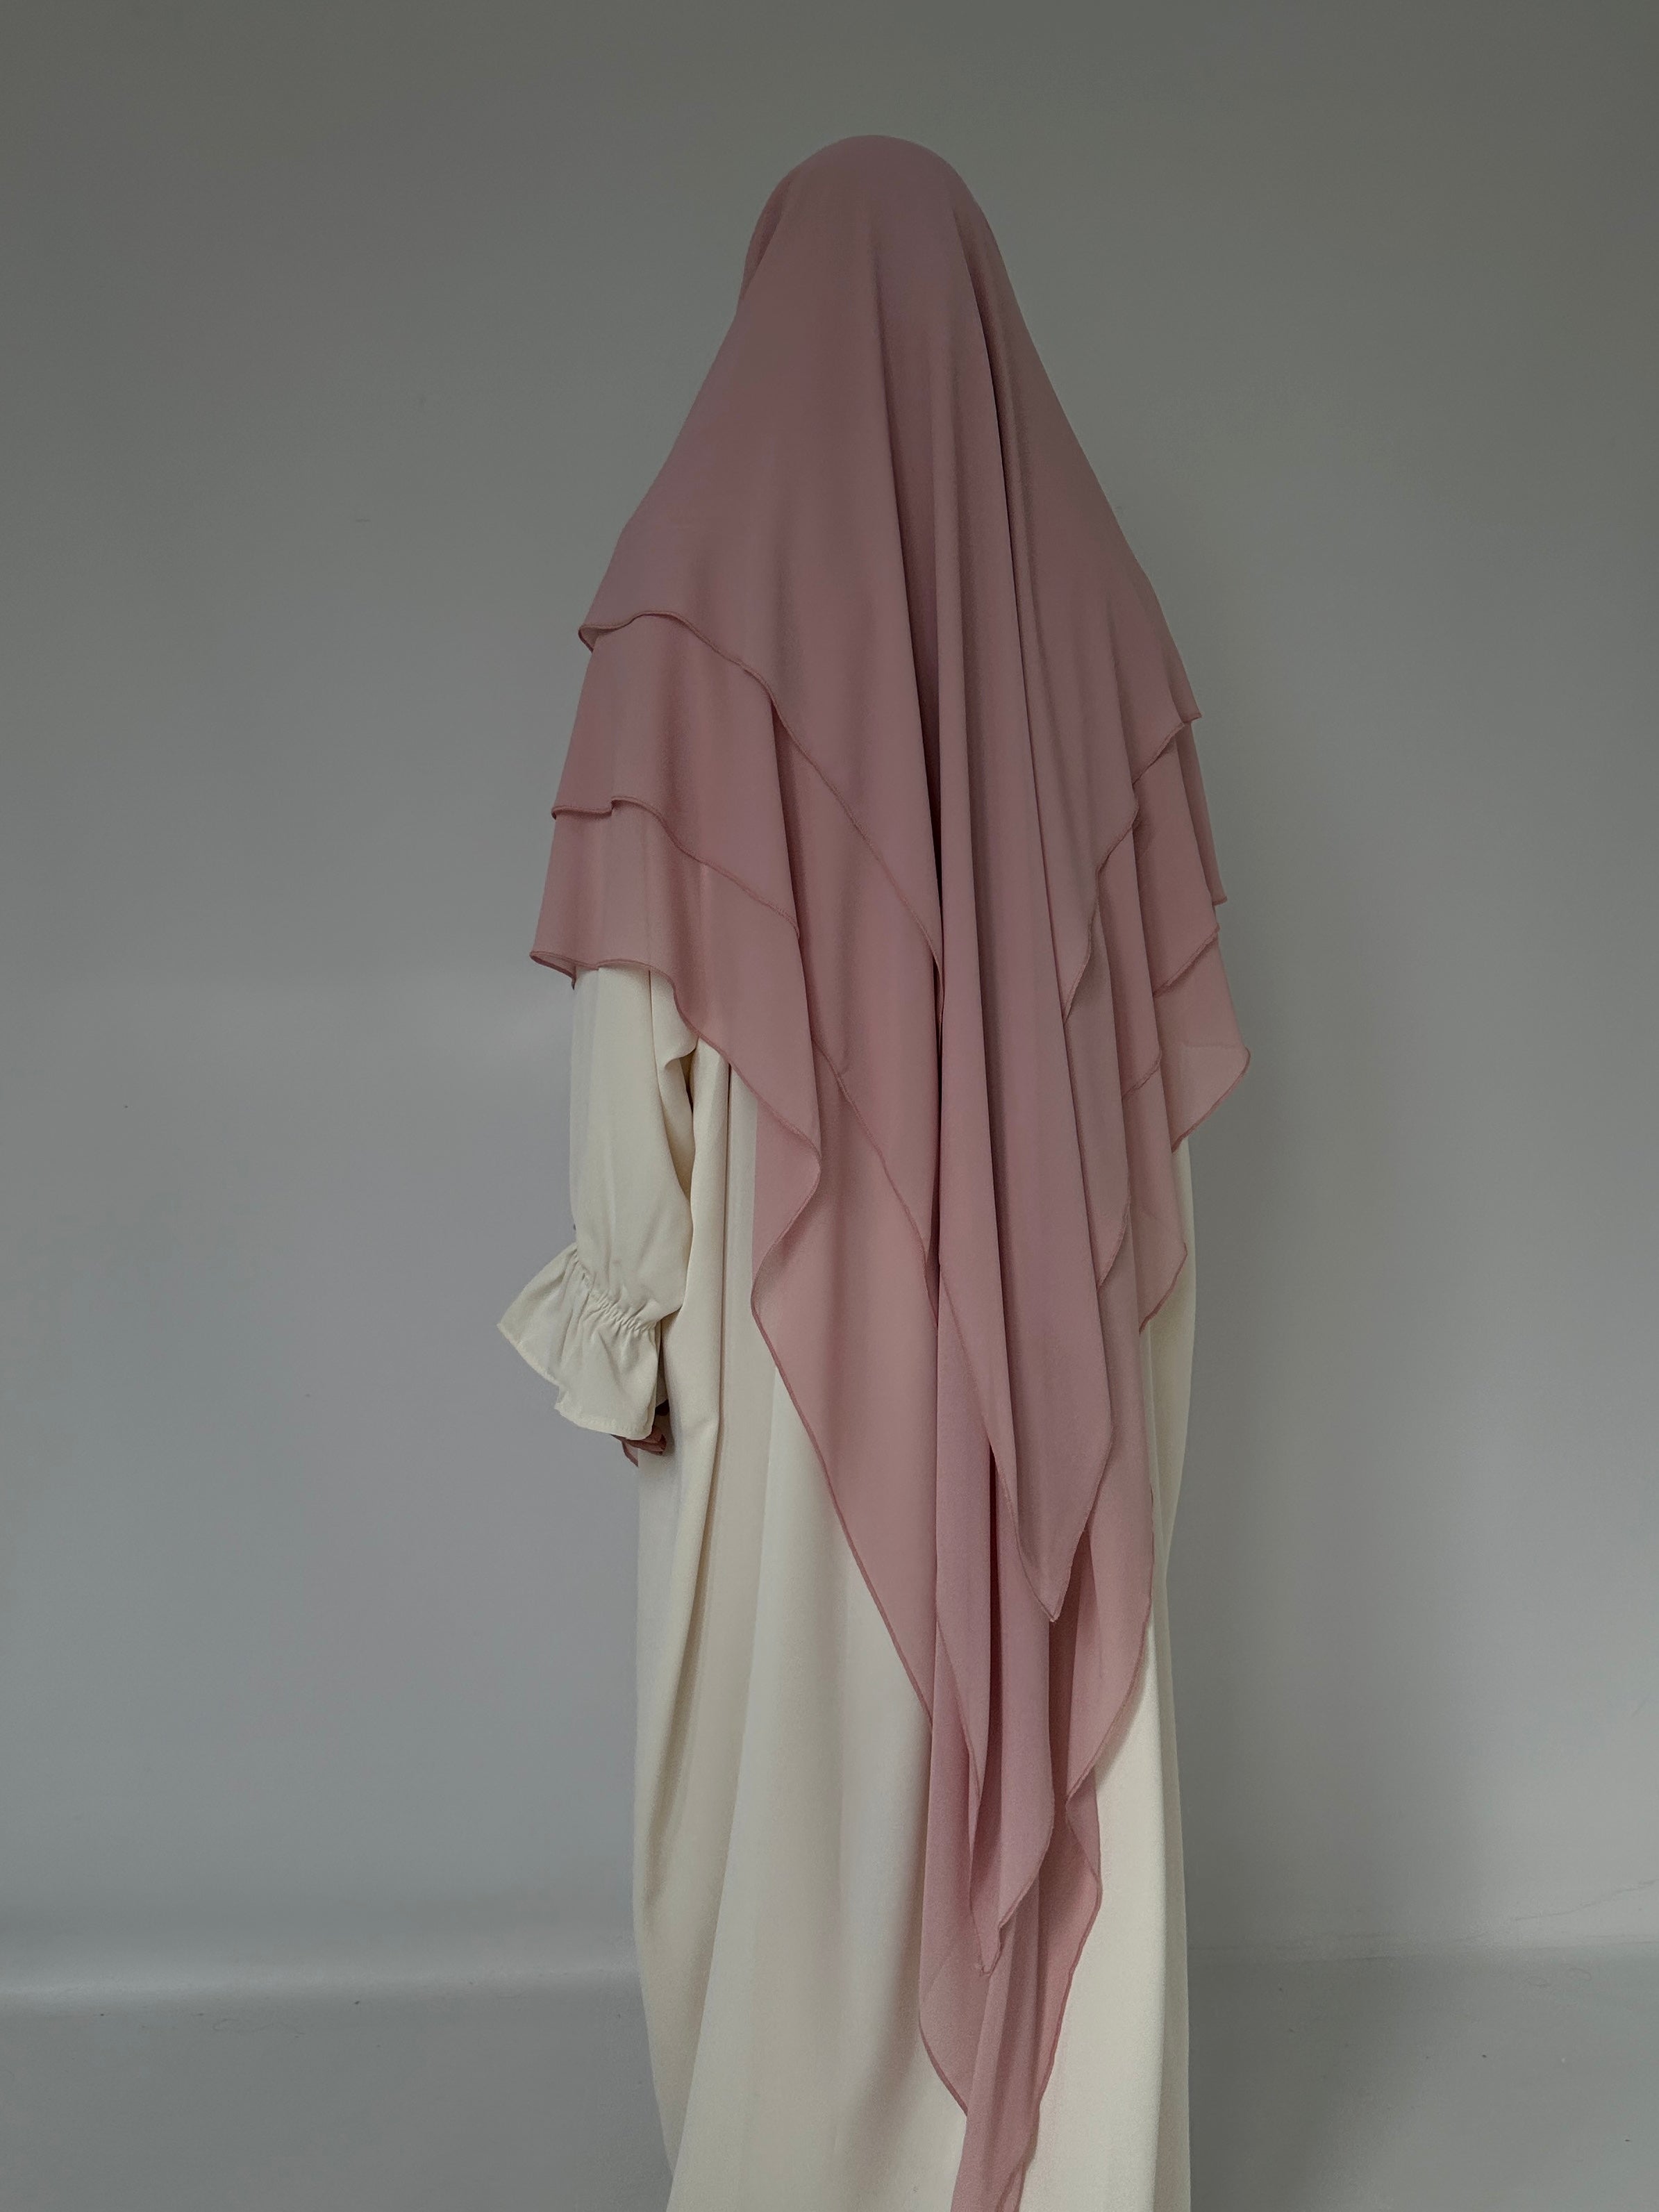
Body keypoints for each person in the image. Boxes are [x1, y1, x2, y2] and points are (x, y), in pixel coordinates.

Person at [501, 134, 1248, 2212]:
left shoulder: (691, 588)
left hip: (787, 1314)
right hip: (1049, 1322)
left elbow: (637, 1005)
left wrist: (633, 1295)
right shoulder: (1096, 615)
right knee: (1055, 1724)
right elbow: (1146, 1076)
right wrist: (1094, 1364)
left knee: (797, 1770)